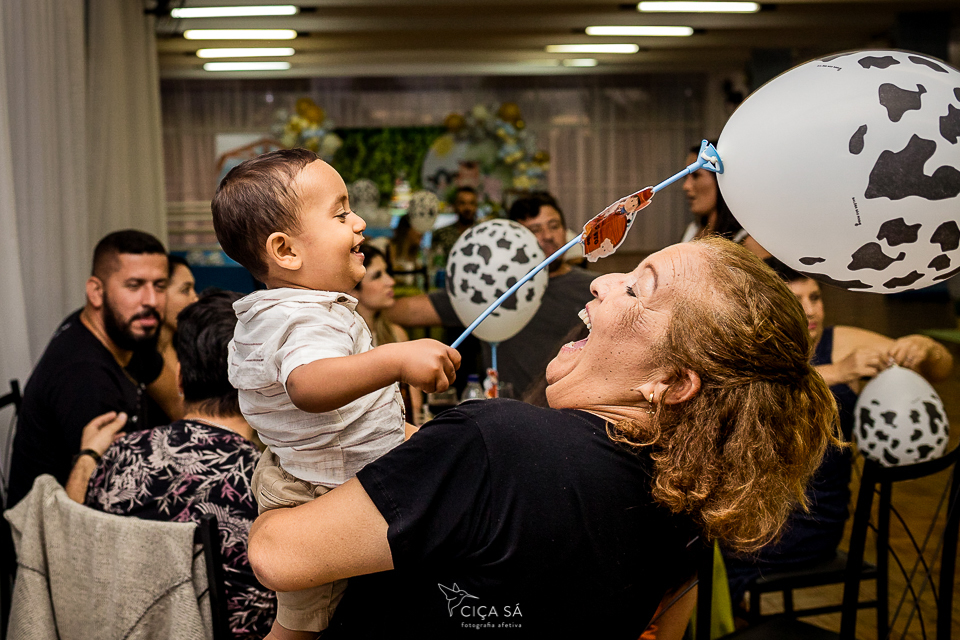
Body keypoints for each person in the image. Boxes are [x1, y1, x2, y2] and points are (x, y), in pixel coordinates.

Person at [247, 237, 840, 639]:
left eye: (638, 289)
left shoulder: (495, 442)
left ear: (672, 382)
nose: (603, 282)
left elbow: (279, 555)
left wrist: (292, 458)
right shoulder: (694, 502)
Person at [211, 148, 460, 640]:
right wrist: (395, 359)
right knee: (299, 629)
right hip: (315, 494)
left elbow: (352, 419)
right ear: (286, 252)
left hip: (322, 468)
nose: (360, 222)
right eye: (341, 213)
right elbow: (308, 386)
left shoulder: (296, 309)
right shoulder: (302, 317)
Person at [723, 257, 954, 604]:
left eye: (815, 297)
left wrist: (926, 348)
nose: (810, 310)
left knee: (690, 558)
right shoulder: (752, 354)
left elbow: (941, 370)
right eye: (796, 301)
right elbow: (755, 391)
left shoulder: (839, 342)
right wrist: (838, 372)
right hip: (747, 517)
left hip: (804, 525)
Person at [65, 290, 277, 640]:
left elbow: (73, 545)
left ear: (179, 378)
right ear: (261, 385)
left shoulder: (120, 456)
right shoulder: (268, 485)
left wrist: (88, 456)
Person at [7, 230, 170, 507]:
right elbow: (107, 504)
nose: (151, 300)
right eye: (134, 286)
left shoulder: (126, 331)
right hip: (51, 523)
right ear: (96, 292)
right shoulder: (84, 377)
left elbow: (180, 403)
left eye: (160, 286)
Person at [388, 192, 595, 399]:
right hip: (508, 409)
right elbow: (408, 311)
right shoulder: (494, 285)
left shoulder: (595, 287)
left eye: (554, 226)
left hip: (574, 409)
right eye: (535, 230)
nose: (548, 236)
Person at [352, 245, 424, 424]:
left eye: (387, 272)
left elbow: (413, 406)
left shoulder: (396, 334)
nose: (391, 281)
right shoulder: (344, 340)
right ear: (353, 289)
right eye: (377, 276)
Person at [147, 254, 198, 421]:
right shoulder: (143, 357)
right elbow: (183, 414)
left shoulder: (188, 345)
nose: (195, 299)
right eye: (185, 290)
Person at [681, 142, 751, 245]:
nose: (686, 186)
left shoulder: (747, 241)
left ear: (720, 180)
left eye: (696, 176)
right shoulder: (692, 230)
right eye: (685, 177)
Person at [430, 186, 478, 264]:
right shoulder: (441, 234)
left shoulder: (484, 233)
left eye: (471, 203)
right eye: (462, 203)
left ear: (476, 206)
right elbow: (434, 263)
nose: (467, 208)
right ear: (455, 206)